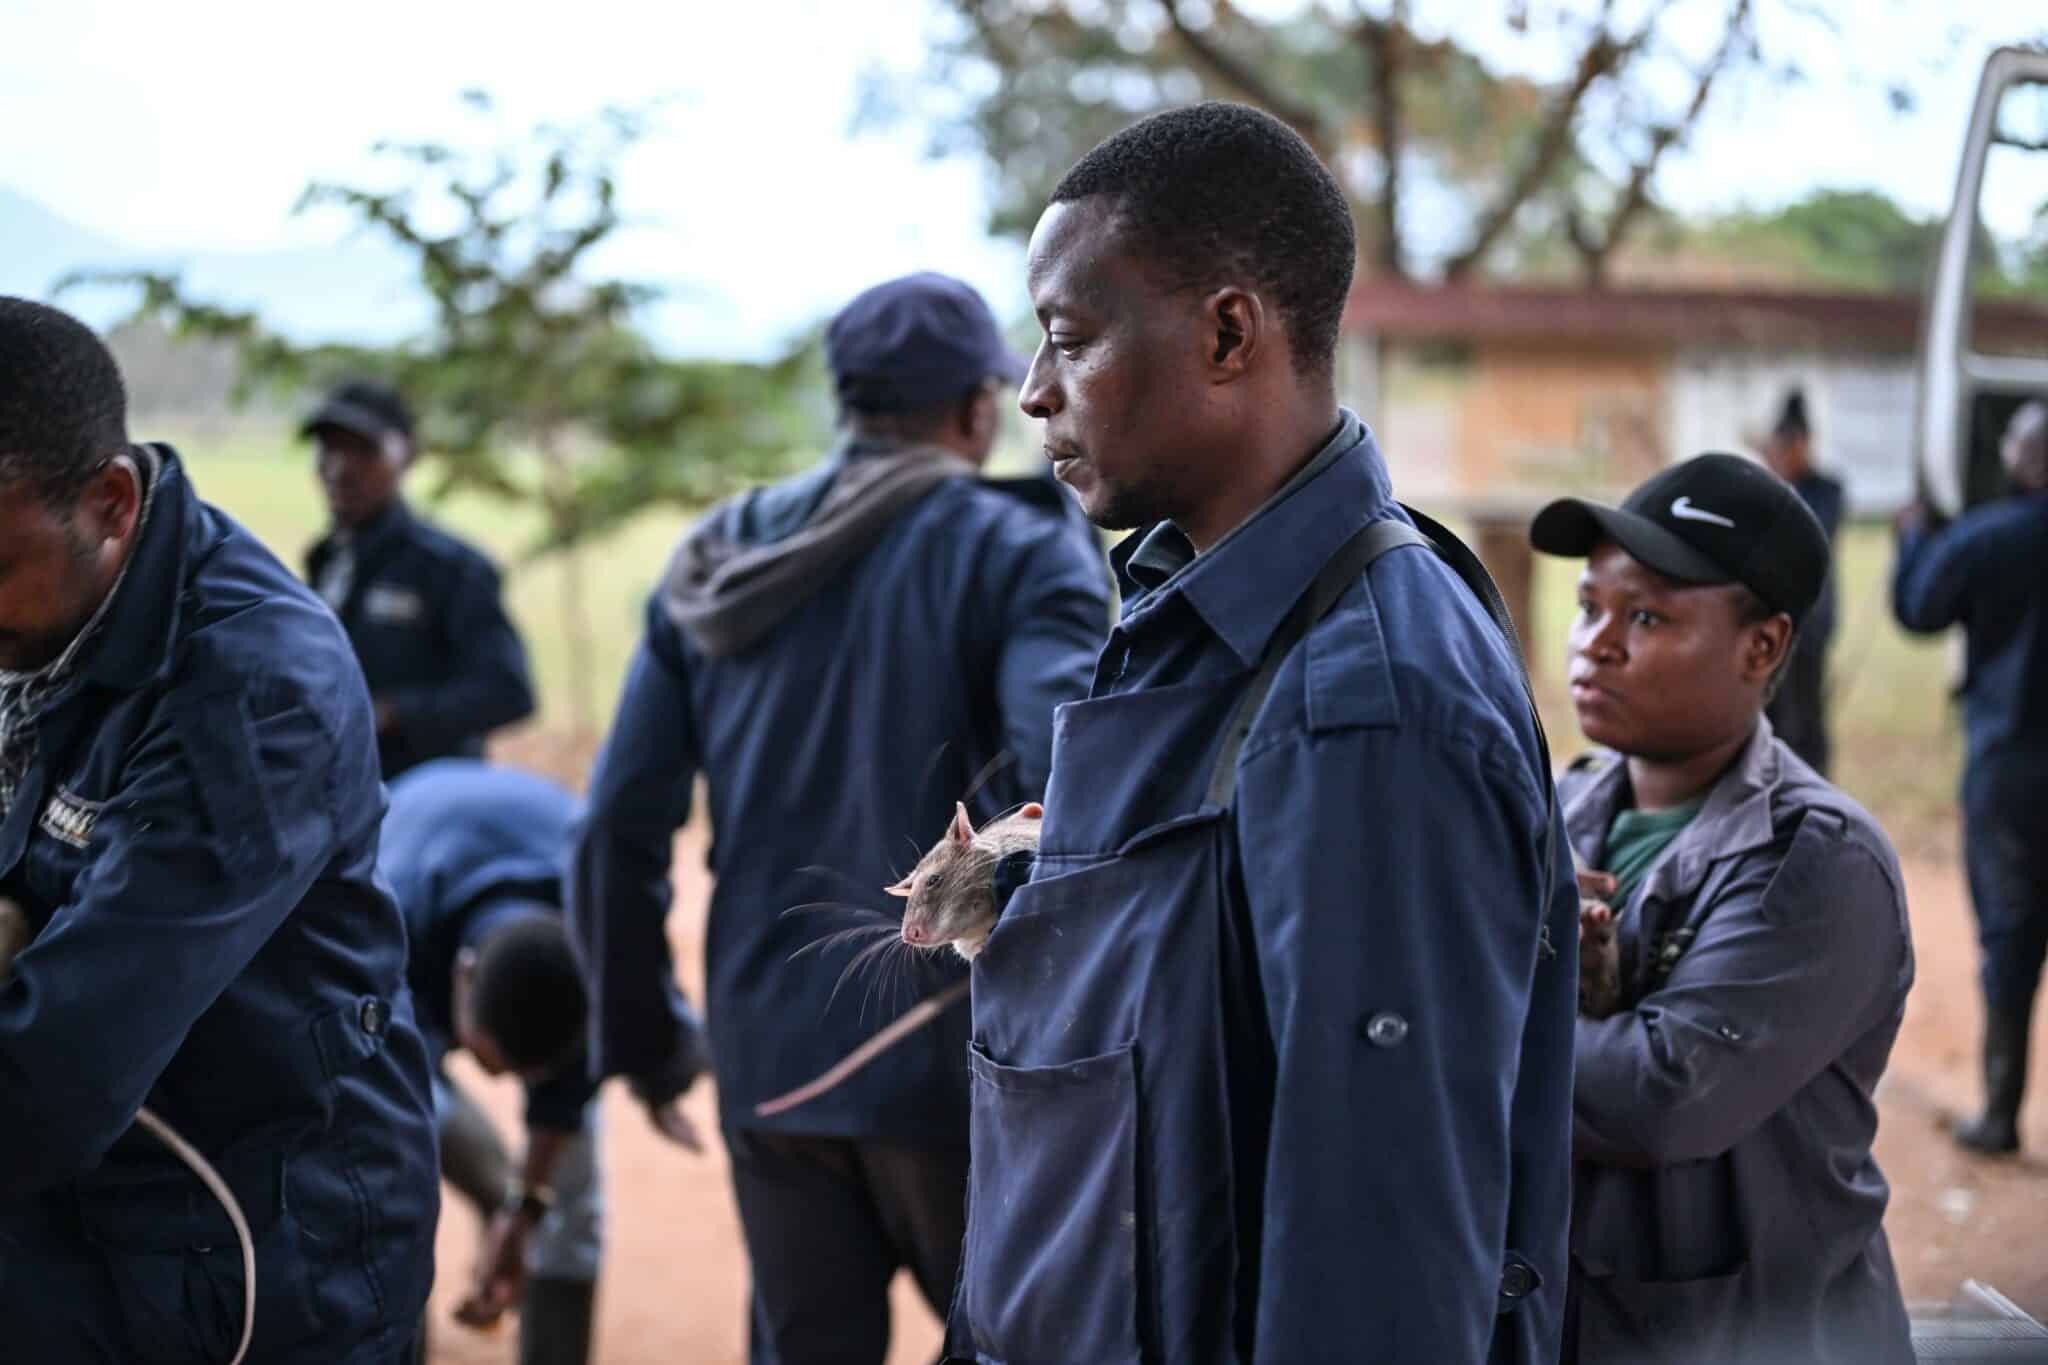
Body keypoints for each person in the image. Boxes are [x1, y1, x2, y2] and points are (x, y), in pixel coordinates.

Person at [952, 104, 1578, 1364]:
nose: (1032, 392)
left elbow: (1380, 1268)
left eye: (1069, 339)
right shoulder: (1212, 611)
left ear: (1228, 334)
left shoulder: (1363, 706)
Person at [569, 271, 1110, 1364]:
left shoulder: (717, 559)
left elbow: (619, 827)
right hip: (964, 1071)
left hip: (773, 1065)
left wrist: (645, 1040)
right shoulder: (1015, 546)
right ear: (974, 411)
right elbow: (1074, 782)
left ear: (847, 404)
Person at [0, 296, 438, 1360]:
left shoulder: (252, 693)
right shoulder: (47, 610)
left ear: (110, 503)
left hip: (246, 1258)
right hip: (78, 1225)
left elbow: (58, 1074)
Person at [1532, 451, 1914, 1363]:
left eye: (1647, 616)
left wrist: (1471, 1016)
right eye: (1589, 606)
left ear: (1763, 647)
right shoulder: (1561, 809)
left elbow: (1660, 1097)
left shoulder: (1818, 862)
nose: (1597, 643)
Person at [380, 759, 702, 1364]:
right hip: (413, 836)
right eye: (492, 1063)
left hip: (523, 857)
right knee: (389, 1173)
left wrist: (523, 1213)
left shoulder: (604, 934)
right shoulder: (388, 927)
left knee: (571, 1202)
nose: (501, 1083)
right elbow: (387, 1127)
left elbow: (565, 1097)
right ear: (461, 978)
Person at [1893, 399, 2048, 1156]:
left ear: (2028, 460)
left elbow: (1918, 608)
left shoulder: (1988, 537)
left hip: (2010, 767)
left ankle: (2000, 1110)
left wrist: (1913, 538)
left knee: (2010, 933)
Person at [303, 378, 535, 778]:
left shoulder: (451, 568)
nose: (340, 468)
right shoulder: (325, 559)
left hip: (427, 792)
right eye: (329, 449)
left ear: (407, 455)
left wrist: (391, 712)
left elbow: (507, 692)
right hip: (341, 792)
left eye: (362, 450)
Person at [1760, 390, 1845, 777]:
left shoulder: (1826, 490)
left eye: (1785, 449)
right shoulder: (1769, 489)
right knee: (1769, 715)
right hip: (1768, 617)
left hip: (1809, 621)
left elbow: (1809, 536)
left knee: (1805, 718)